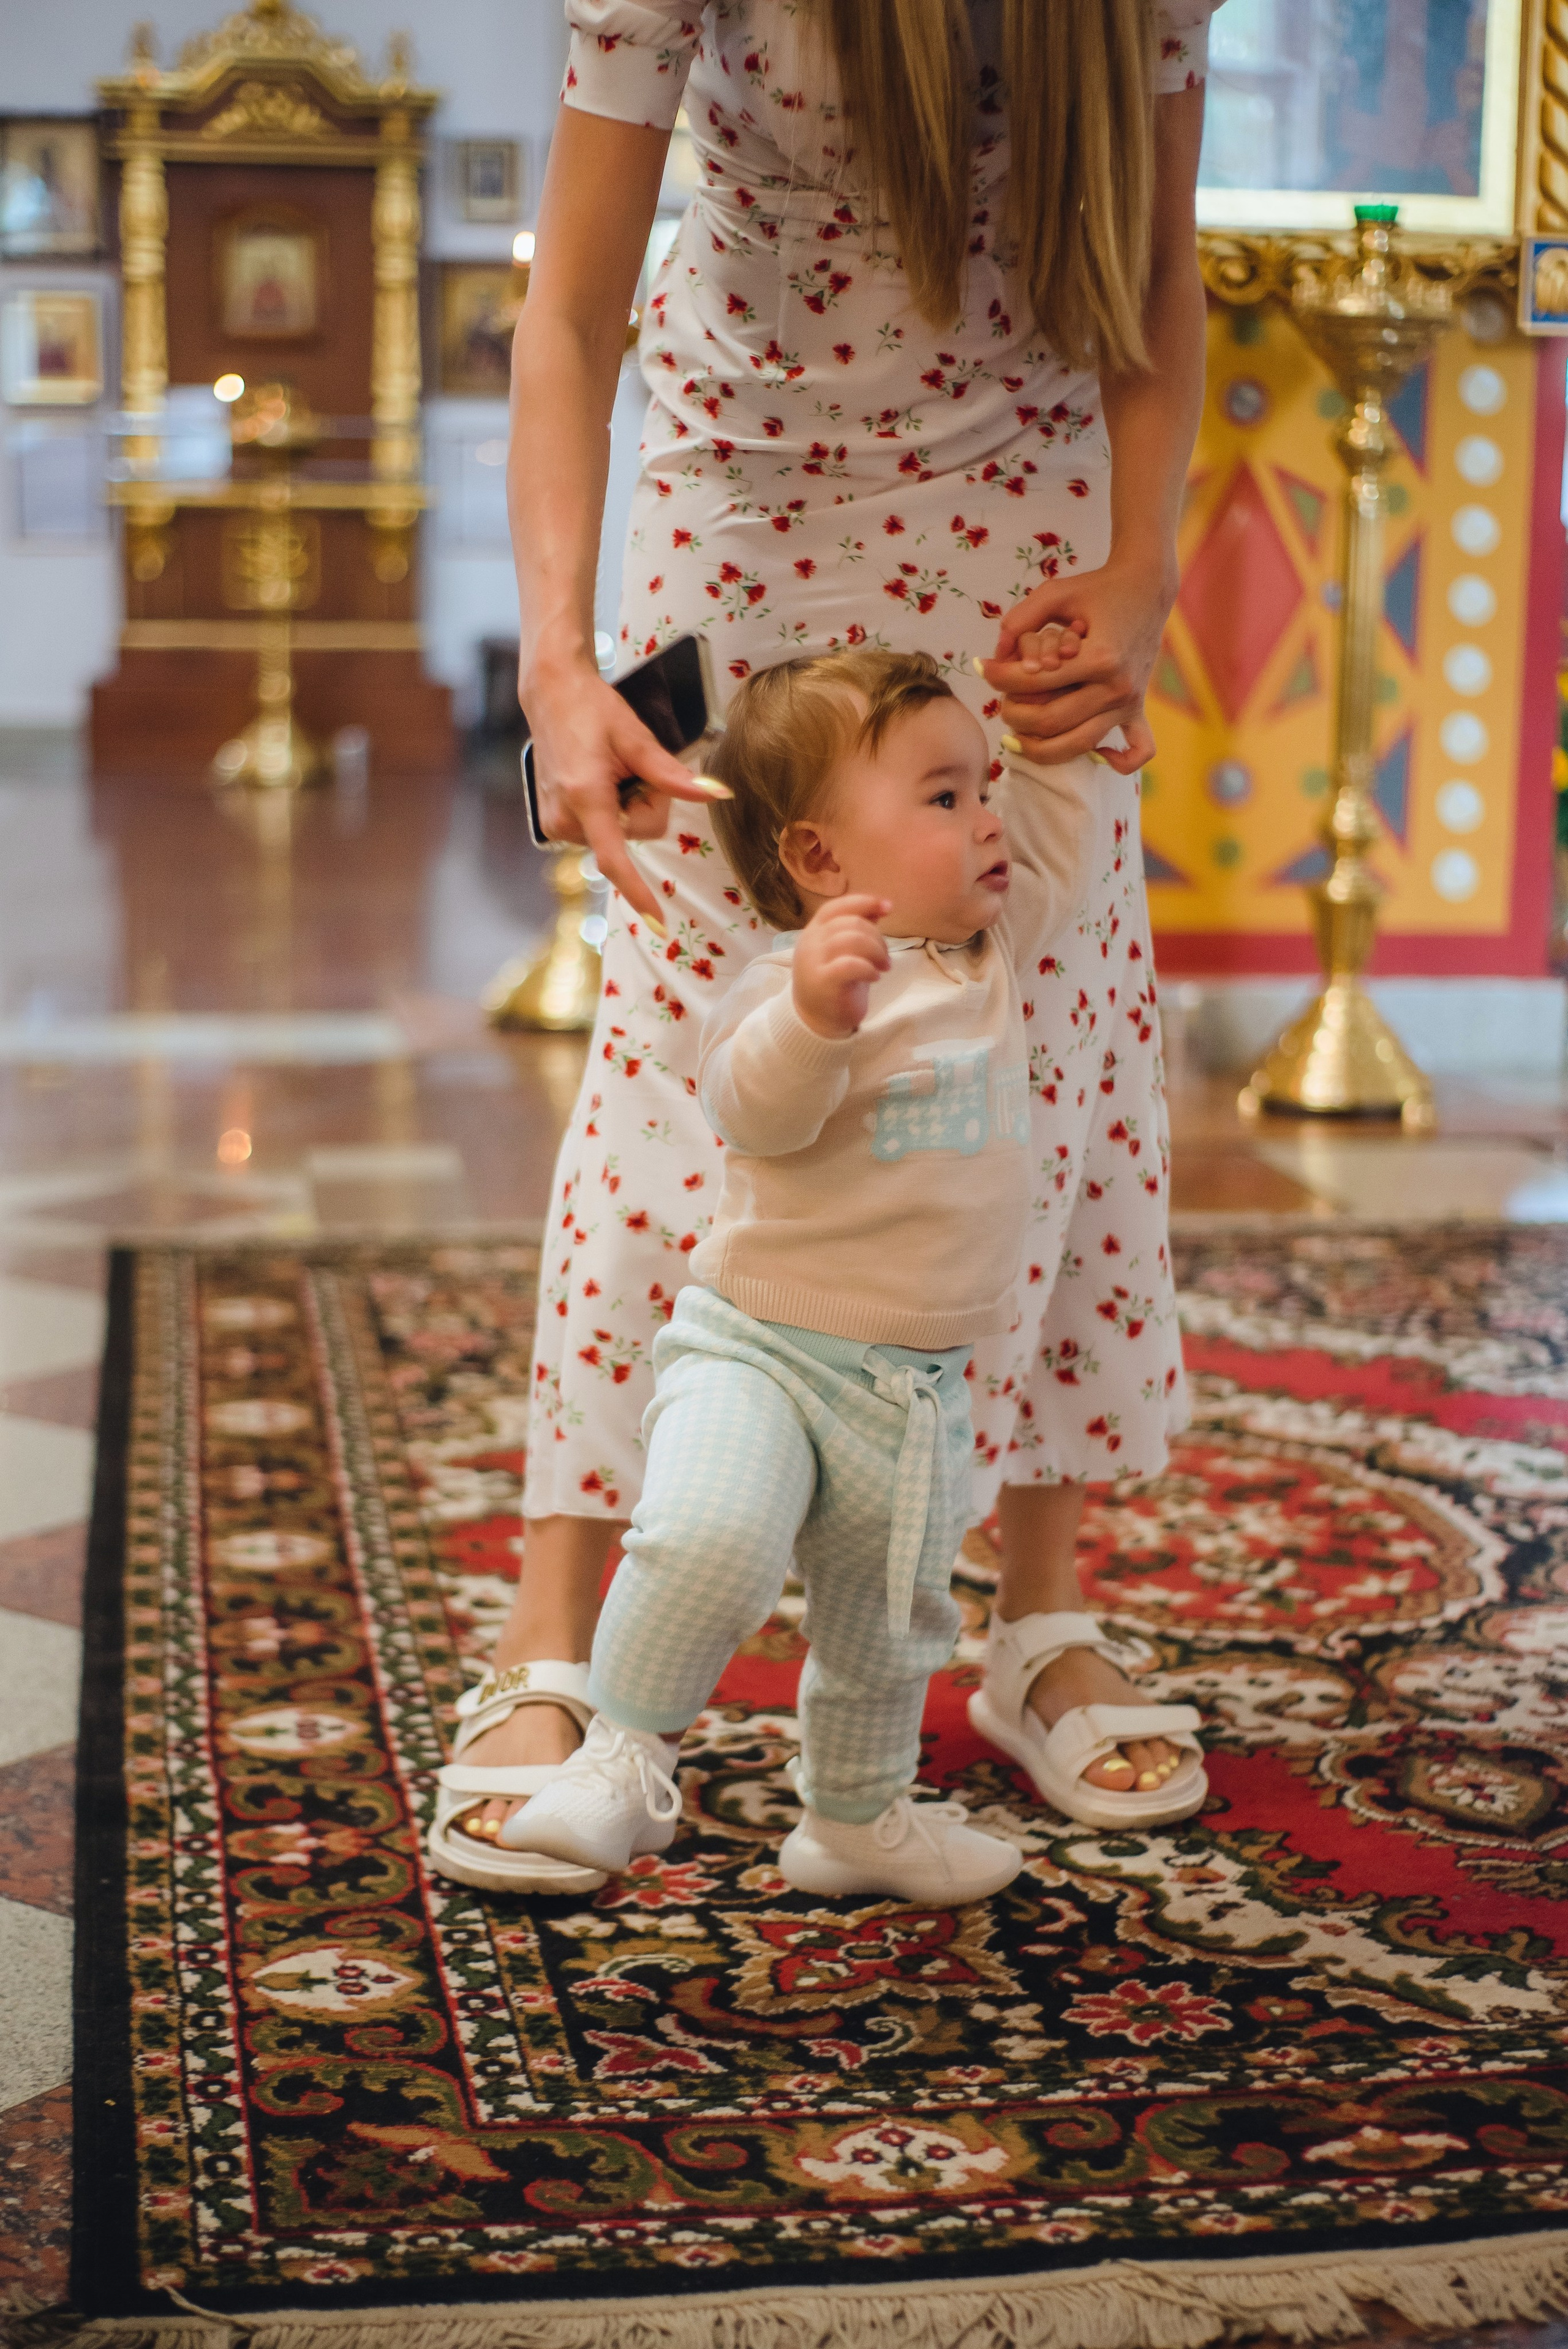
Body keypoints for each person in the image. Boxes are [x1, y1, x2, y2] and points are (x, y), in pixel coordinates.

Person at [426, 0, 1219, 1896]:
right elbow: (571, 310)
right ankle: (557, 1637)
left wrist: (1142, 571)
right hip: (740, 512)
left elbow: (1159, 289)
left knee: (1050, 1033)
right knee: (687, 1053)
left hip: (1032, 537)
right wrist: (558, 661)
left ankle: (1036, 1619)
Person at [491, 651, 1204, 1903]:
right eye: (941, 799)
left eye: (980, 791)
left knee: (888, 1624)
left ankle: (856, 1818)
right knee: (703, 1534)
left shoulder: (996, 949)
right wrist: (814, 1016)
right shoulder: (788, 977)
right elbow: (748, 1111)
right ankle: (621, 1758)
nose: (982, 817)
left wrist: (1076, 738)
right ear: (820, 861)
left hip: (918, 1385)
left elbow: (1057, 820)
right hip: (756, 1348)